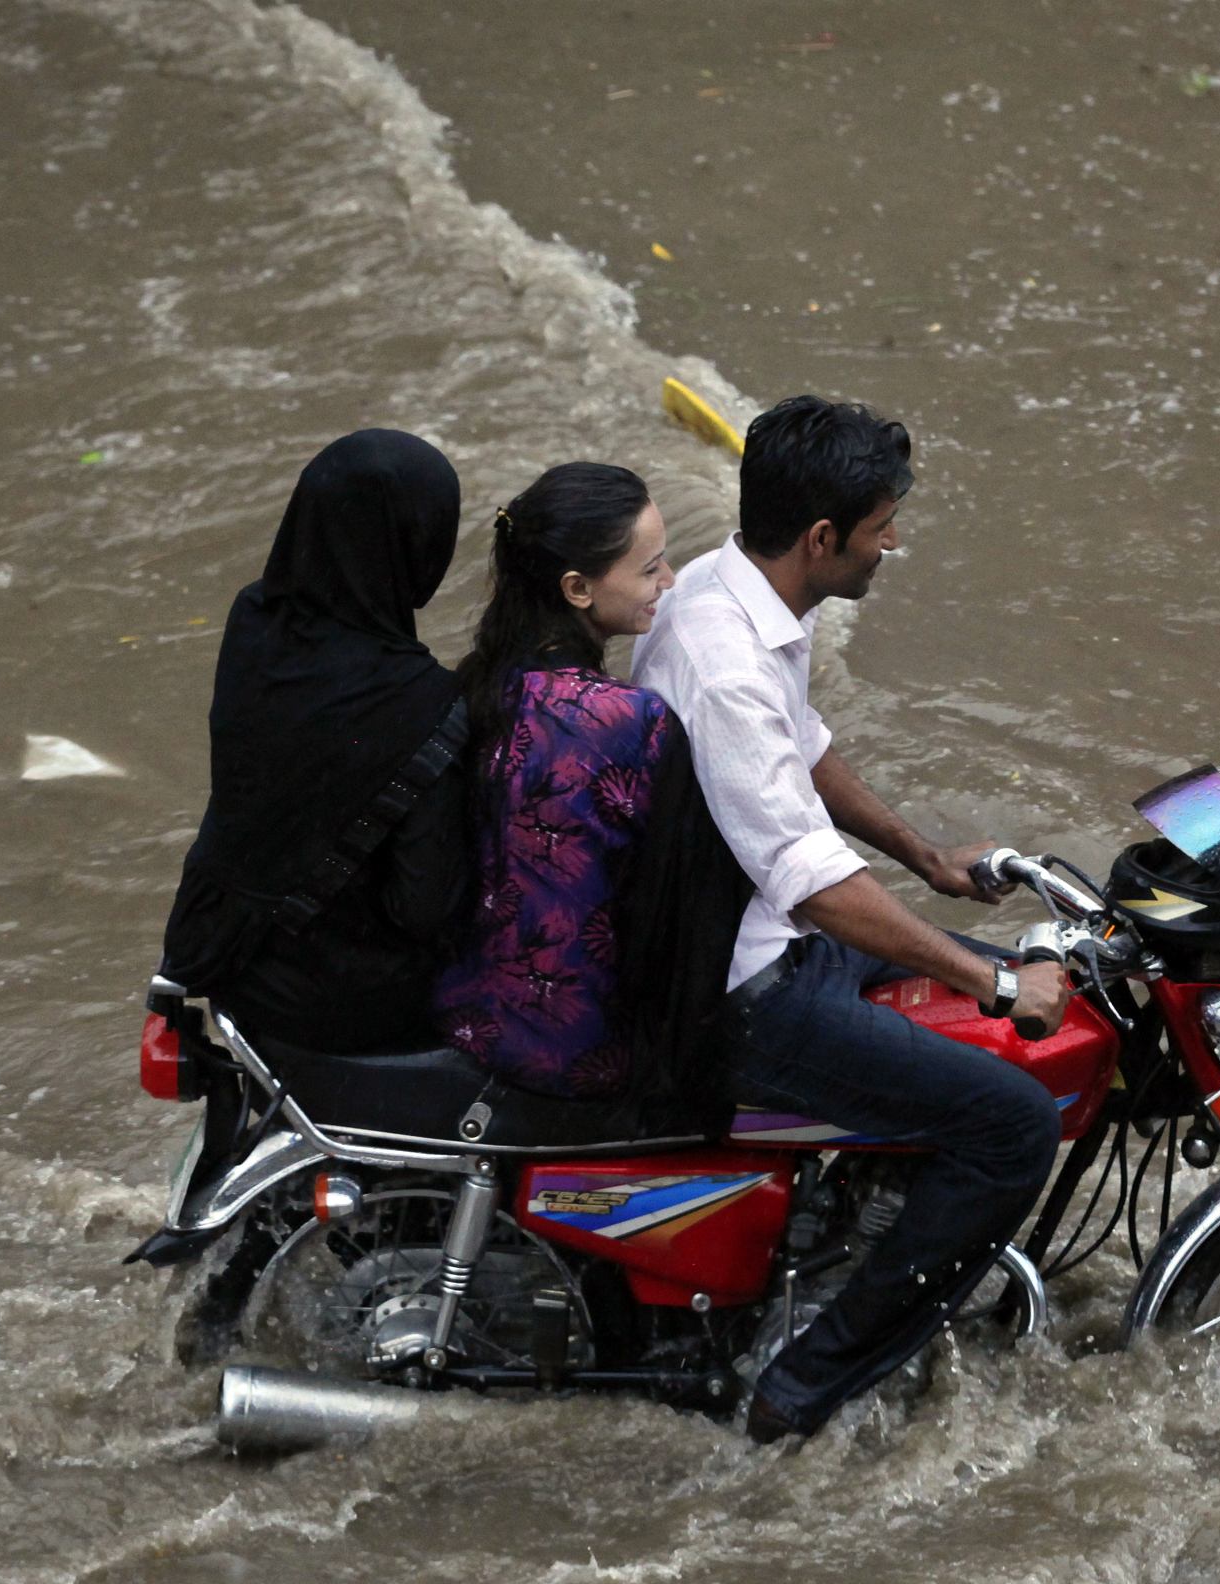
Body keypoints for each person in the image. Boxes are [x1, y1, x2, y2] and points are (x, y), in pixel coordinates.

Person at [630, 394, 1071, 1443]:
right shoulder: (722, 662)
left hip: (770, 942)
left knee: (1003, 1006)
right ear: (822, 539)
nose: (894, 545)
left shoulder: (745, 596)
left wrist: (925, 857)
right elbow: (812, 884)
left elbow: (806, 748)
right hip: (744, 990)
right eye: (882, 529)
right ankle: (800, 1392)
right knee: (1011, 1125)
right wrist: (998, 983)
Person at [432, 464, 749, 1121]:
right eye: (651, 569)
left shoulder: (475, 686)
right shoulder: (628, 721)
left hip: (471, 1017)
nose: (668, 583)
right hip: (584, 1052)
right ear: (577, 588)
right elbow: (695, 908)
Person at [159, 429, 473, 1054]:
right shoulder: (423, 701)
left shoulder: (255, 622)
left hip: (223, 957)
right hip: (345, 1004)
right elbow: (426, 906)